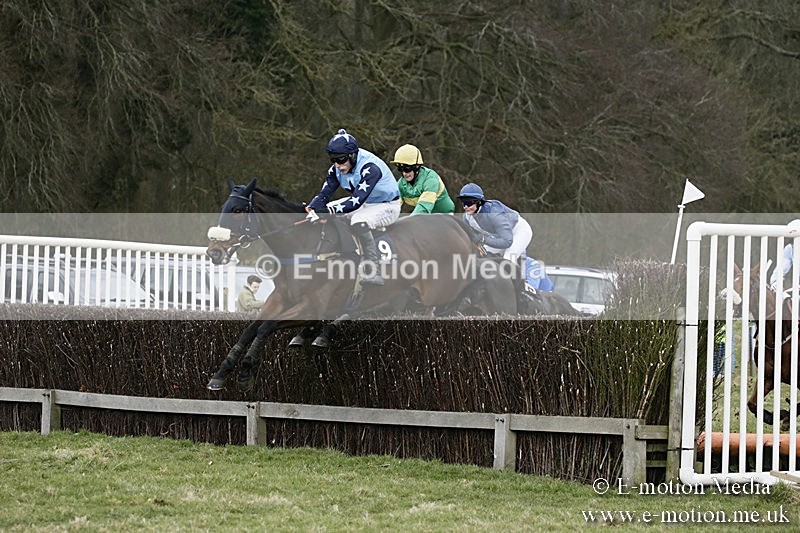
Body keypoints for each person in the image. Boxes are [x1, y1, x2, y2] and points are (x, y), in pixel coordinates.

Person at [306, 129, 401, 285]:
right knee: (324, 210)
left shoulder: (370, 168)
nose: (338, 165)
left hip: (387, 206)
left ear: (352, 155)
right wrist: (313, 207)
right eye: (333, 160)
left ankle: (373, 269)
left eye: (341, 160)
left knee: (358, 220)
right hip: (366, 203)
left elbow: (356, 201)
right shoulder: (337, 168)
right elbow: (325, 194)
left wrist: (328, 211)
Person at [458, 183, 533, 263]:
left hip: (518, 231)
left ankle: (519, 273)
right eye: (463, 202)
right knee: (482, 258)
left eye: (469, 203)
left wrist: (483, 239)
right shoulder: (467, 217)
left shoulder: (495, 215)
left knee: (508, 260)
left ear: (479, 202)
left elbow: (507, 242)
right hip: (499, 236)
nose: (465, 206)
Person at [391, 144, 455, 214]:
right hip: (426, 217)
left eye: (407, 169)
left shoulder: (430, 179)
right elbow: (393, 206)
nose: (404, 173)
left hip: (444, 215)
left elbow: (424, 207)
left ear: (417, 166)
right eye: (400, 169)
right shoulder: (401, 184)